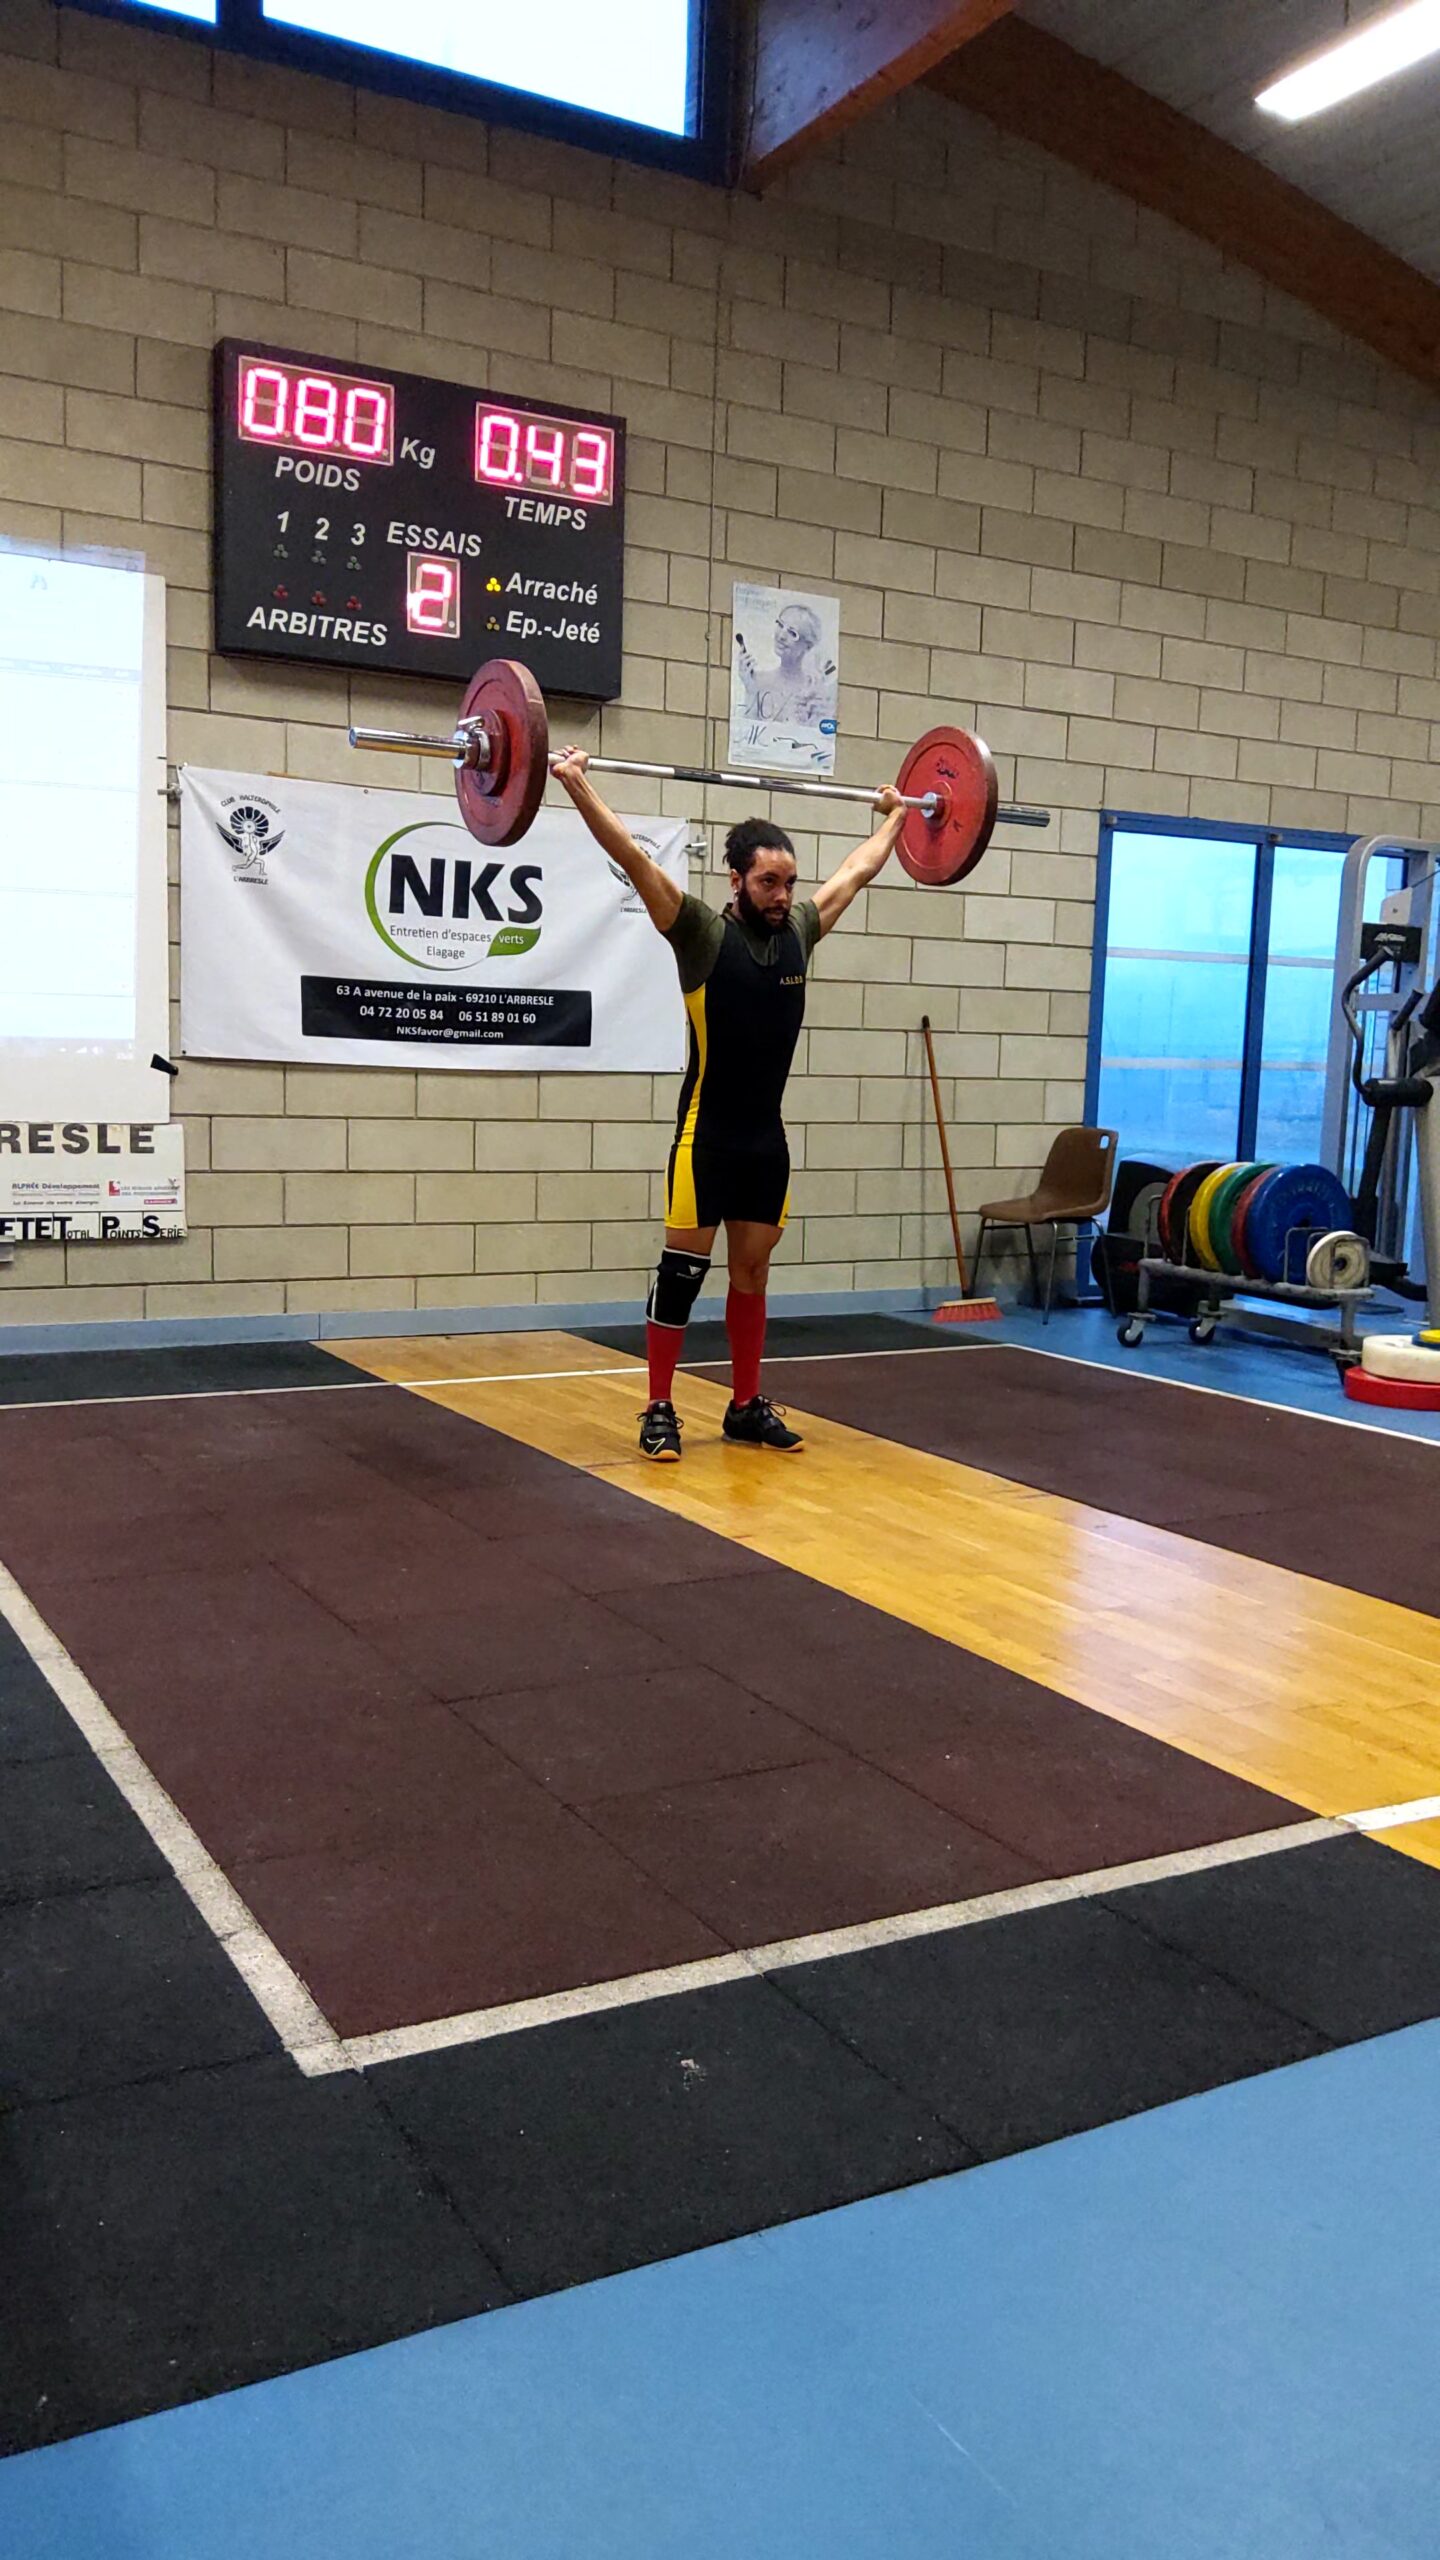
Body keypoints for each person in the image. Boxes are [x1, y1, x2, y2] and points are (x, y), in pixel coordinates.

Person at [550, 745, 907, 1459]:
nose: (781, 895)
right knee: (681, 1276)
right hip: (705, 1139)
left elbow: (858, 871)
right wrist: (575, 783)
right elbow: (631, 857)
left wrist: (898, 817)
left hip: (764, 1144)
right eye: (768, 882)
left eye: (788, 883)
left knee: (753, 1274)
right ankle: (658, 1408)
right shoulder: (700, 934)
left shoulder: (800, 930)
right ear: (736, 879)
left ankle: (745, 1406)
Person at [735, 602, 834, 729]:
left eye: (792, 633)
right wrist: (750, 690)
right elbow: (745, 733)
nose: (781, 636)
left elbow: (825, 735)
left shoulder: (814, 691)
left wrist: (812, 721)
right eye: (780, 625)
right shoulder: (756, 681)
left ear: (808, 646)